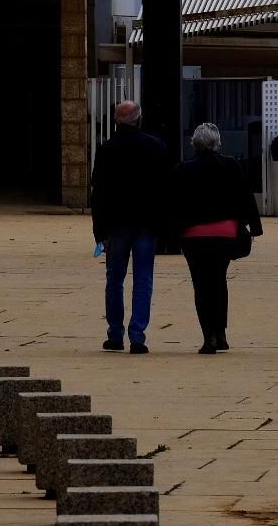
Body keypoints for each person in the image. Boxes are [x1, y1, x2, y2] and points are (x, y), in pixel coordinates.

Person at [169, 122, 262, 356]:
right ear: (217, 143)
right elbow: (245, 196)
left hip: (194, 236)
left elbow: (173, 204)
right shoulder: (231, 165)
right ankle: (221, 333)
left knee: (201, 285)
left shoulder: (183, 169)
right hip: (224, 234)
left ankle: (207, 336)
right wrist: (254, 227)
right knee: (219, 281)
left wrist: (169, 235)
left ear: (195, 144)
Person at [88, 100, 170, 354]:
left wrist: (100, 232)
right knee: (143, 279)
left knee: (114, 279)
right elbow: (165, 188)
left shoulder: (106, 149)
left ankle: (115, 334)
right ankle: (138, 335)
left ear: (115, 120)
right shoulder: (155, 146)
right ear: (139, 119)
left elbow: (98, 193)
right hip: (146, 223)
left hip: (116, 224)